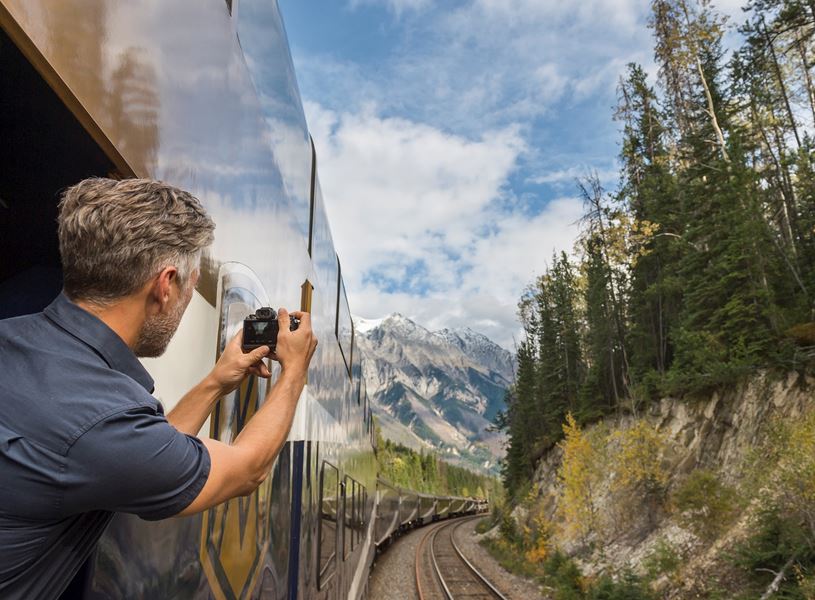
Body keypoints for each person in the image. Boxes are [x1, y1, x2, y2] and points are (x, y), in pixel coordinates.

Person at [0, 178, 317, 599]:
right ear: (165, 285)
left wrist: (215, 382)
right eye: (190, 285)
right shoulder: (104, 421)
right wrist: (294, 372)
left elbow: (147, 449)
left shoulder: (14, 337)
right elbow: (246, 470)